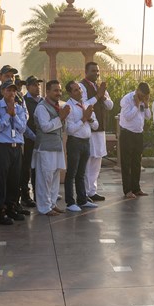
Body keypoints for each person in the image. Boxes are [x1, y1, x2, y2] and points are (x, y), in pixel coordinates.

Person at [0, 80, 30, 224]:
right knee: (0, 180)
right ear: (2, 92)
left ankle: (11, 208)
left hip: (16, 146)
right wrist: (7, 115)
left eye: (14, 90)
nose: (12, 93)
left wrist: (13, 114)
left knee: (14, 179)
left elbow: (22, 128)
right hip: (1, 146)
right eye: (8, 90)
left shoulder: (19, 108)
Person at [33, 80, 69, 215]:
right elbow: (45, 127)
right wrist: (61, 118)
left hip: (57, 146)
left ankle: (52, 203)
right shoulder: (42, 107)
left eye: (60, 90)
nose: (58, 93)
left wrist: (63, 117)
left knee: (55, 177)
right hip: (45, 147)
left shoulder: (57, 106)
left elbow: (63, 126)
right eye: (55, 90)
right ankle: (44, 207)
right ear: (47, 92)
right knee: (45, 177)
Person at [63, 81, 98, 212]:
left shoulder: (87, 105)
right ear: (70, 93)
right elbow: (70, 130)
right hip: (75, 142)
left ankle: (82, 200)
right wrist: (84, 118)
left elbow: (96, 126)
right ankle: (70, 202)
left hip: (86, 141)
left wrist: (90, 119)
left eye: (80, 89)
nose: (80, 92)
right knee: (72, 172)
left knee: (81, 173)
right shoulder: (68, 106)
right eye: (76, 90)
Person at [81, 62, 113, 201]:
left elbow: (110, 106)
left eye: (98, 71)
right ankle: (85, 192)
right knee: (88, 160)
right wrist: (98, 96)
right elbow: (84, 104)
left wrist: (103, 95)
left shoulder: (100, 87)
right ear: (86, 72)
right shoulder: (82, 86)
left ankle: (92, 191)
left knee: (97, 159)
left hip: (100, 129)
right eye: (93, 71)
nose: (96, 73)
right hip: (88, 128)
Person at [118, 82, 151, 198]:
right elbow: (127, 116)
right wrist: (136, 105)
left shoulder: (143, 100)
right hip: (127, 134)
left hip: (138, 134)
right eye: (141, 96)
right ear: (137, 90)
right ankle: (127, 190)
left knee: (137, 162)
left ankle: (136, 189)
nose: (142, 98)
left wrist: (146, 104)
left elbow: (148, 116)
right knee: (126, 163)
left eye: (145, 96)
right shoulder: (127, 99)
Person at [19, 76, 42, 208]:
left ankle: (38, 194)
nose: (37, 87)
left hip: (40, 140)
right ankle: (25, 195)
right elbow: (23, 122)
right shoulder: (24, 101)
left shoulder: (42, 101)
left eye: (38, 84)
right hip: (28, 140)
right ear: (27, 87)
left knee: (38, 168)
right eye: (34, 85)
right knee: (26, 168)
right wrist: (34, 136)